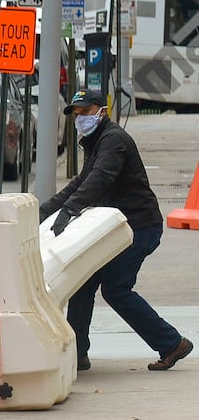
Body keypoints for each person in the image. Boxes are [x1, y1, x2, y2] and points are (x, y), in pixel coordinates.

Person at [39, 87, 192, 372]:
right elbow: (80, 183)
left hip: (139, 227)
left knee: (116, 289)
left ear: (102, 111)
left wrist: (70, 210)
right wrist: (45, 210)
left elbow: (100, 179)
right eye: (76, 114)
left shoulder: (114, 141)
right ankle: (77, 355)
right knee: (82, 282)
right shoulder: (96, 141)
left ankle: (172, 344)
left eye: (85, 112)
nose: (80, 118)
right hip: (114, 230)